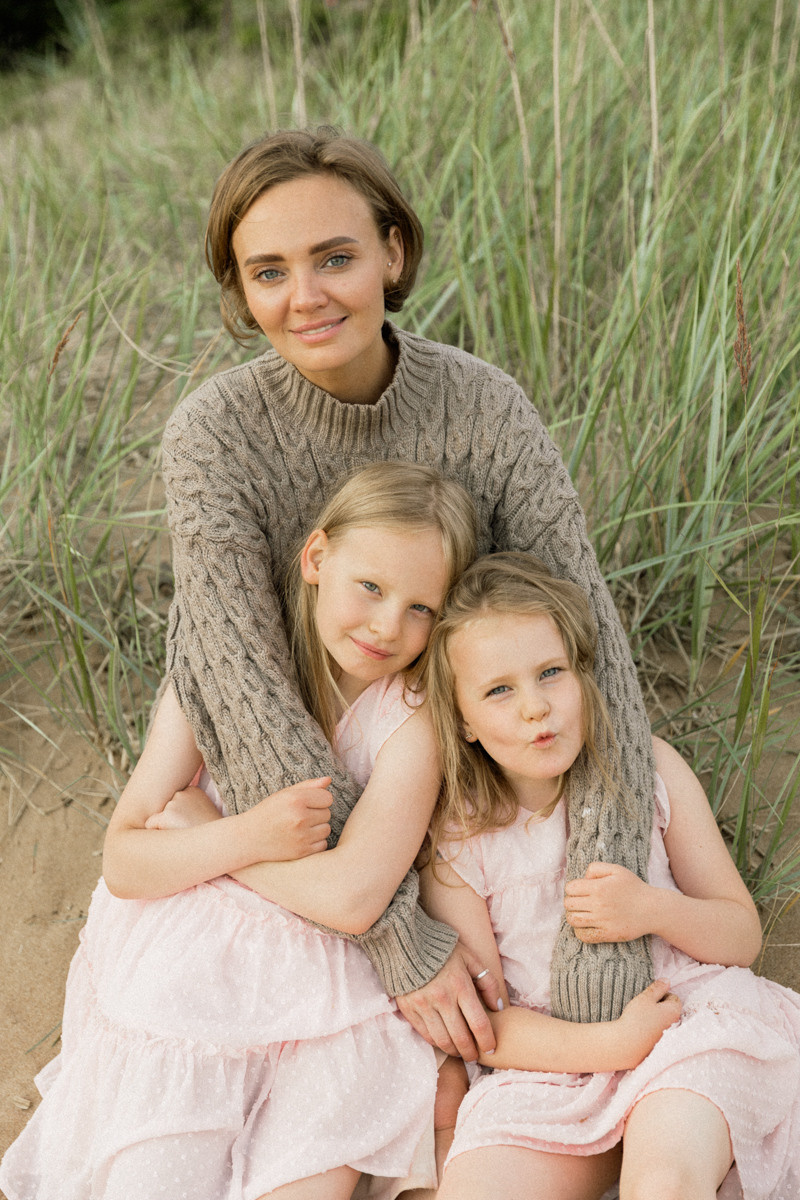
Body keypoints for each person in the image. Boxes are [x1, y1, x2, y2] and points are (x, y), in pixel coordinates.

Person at [161, 126, 657, 1055]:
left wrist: (603, 919)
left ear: (393, 251)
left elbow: (594, 646)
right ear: (239, 289)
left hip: (453, 777)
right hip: (297, 805)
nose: (304, 297)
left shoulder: (485, 408)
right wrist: (396, 932)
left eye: (335, 258)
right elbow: (244, 689)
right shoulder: (212, 436)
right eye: (268, 271)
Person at [0, 462, 479, 1200]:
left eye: (422, 608)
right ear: (317, 558)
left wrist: (227, 836)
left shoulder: (411, 714)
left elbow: (354, 899)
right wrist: (241, 837)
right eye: (372, 588)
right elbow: (126, 857)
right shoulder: (229, 669)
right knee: (160, 1174)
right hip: (197, 964)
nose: (389, 626)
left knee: (306, 1177)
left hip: (336, 987)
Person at [418, 551, 800, 1200]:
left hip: (685, 1023)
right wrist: (611, 1044)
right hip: (557, 1056)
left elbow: (742, 936)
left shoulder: (647, 770)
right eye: (499, 690)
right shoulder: (459, 841)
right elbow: (490, 1028)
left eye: (550, 673)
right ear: (463, 721)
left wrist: (653, 910)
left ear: (582, 674)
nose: (536, 707)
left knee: (664, 1181)